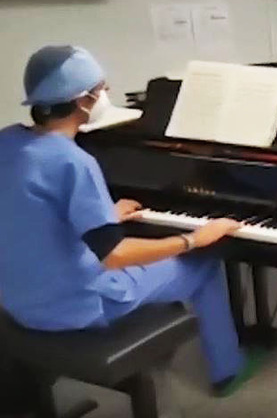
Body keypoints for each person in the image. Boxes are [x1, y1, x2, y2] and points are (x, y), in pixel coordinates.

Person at [0, 46, 259, 396]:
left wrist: (105, 215)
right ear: (82, 101)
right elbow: (115, 255)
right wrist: (194, 239)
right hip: (78, 305)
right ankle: (228, 369)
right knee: (205, 264)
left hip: (19, 302)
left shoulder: (7, 142)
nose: (106, 93)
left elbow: (36, 213)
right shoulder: (72, 161)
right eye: (101, 88)